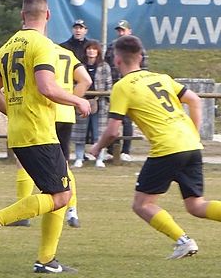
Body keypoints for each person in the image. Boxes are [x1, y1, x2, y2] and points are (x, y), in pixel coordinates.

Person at [88, 35, 221, 259]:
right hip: (190, 144)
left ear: (117, 60)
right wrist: (194, 133)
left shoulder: (122, 87)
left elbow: (113, 130)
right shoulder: (161, 78)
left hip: (167, 147)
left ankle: (184, 242)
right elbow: (195, 100)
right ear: (140, 57)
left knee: (142, 204)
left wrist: (97, 147)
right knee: (195, 205)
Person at [0, 0, 91, 274]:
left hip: (19, 131)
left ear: (22, 16)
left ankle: (47, 260)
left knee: (59, 190)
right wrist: (77, 100)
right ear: (48, 15)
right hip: (38, 131)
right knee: (62, 196)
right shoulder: (43, 44)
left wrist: (14, 112)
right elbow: (46, 86)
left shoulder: (7, 46)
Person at [12, 43, 92, 229]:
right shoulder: (67, 53)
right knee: (63, 164)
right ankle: (72, 211)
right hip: (66, 114)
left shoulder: (39, 50)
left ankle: (22, 213)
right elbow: (86, 80)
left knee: (22, 161)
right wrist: (71, 101)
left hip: (45, 112)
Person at [104, 20, 147, 162]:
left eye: (123, 30)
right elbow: (106, 65)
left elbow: (144, 67)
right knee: (114, 119)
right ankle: (112, 150)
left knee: (127, 121)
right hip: (115, 86)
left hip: (132, 87)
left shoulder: (137, 47)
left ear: (129, 31)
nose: (121, 33)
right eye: (119, 30)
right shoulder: (112, 46)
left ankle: (126, 150)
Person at [72, 40, 112, 168]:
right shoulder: (79, 66)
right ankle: (79, 158)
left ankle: (99, 158)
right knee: (80, 132)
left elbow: (109, 85)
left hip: (100, 103)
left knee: (99, 132)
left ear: (98, 51)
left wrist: (105, 99)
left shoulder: (104, 66)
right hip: (82, 102)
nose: (91, 51)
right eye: (89, 49)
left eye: (94, 49)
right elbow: (74, 82)